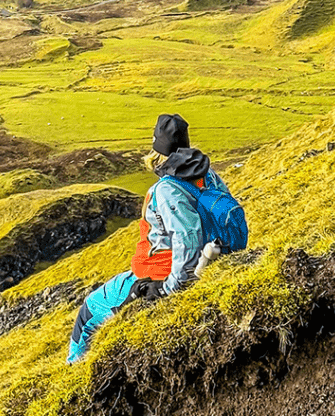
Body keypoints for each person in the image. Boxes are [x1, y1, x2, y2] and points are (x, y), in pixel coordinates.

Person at [67, 112, 244, 363]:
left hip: (160, 271)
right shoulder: (209, 175)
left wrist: (169, 288)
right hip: (215, 254)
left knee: (89, 311)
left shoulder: (166, 188)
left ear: (157, 153)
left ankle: (74, 373)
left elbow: (187, 237)